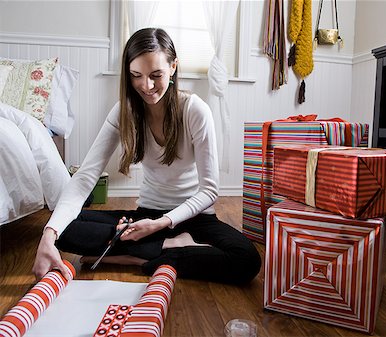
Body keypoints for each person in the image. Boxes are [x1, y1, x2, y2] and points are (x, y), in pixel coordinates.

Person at [32, 28, 261, 285]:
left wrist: (163, 223)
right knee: (62, 226)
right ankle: (168, 249)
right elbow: (85, 176)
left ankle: (145, 256)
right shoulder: (124, 111)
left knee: (246, 260)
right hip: (146, 216)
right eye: (136, 76)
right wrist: (48, 235)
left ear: (173, 67)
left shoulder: (195, 110)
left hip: (194, 218)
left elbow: (209, 191)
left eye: (156, 75)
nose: (147, 86)